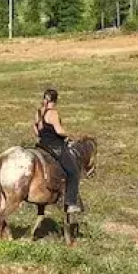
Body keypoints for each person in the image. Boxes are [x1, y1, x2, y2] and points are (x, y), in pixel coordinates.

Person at [33, 87, 83, 215]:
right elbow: (59, 130)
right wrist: (69, 135)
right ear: (55, 100)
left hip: (41, 145)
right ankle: (71, 203)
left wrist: (41, 136)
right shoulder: (53, 113)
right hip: (55, 147)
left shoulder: (39, 112)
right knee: (73, 172)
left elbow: (35, 128)